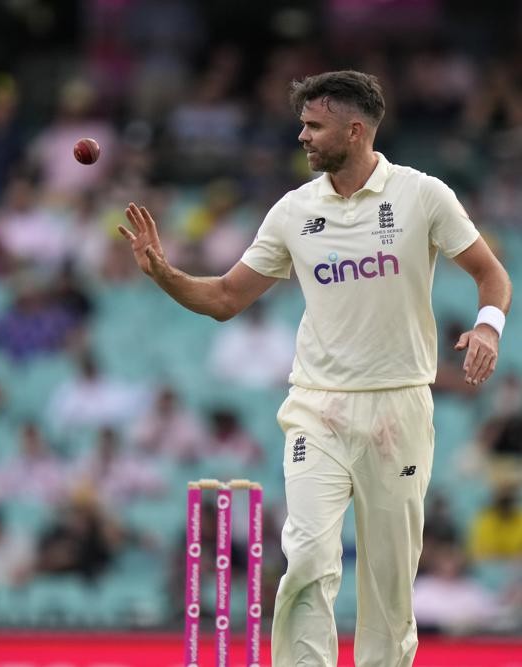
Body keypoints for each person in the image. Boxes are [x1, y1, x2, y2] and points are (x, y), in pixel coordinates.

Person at [118, 70, 511, 666]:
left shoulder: (422, 195)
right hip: (317, 408)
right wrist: (164, 274)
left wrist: (487, 325)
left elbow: (492, 274)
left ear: (354, 132)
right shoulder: (293, 211)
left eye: (313, 125)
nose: (301, 136)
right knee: (304, 557)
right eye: (302, 123)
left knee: (389, 581)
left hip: (399, 405)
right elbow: (226, 298)